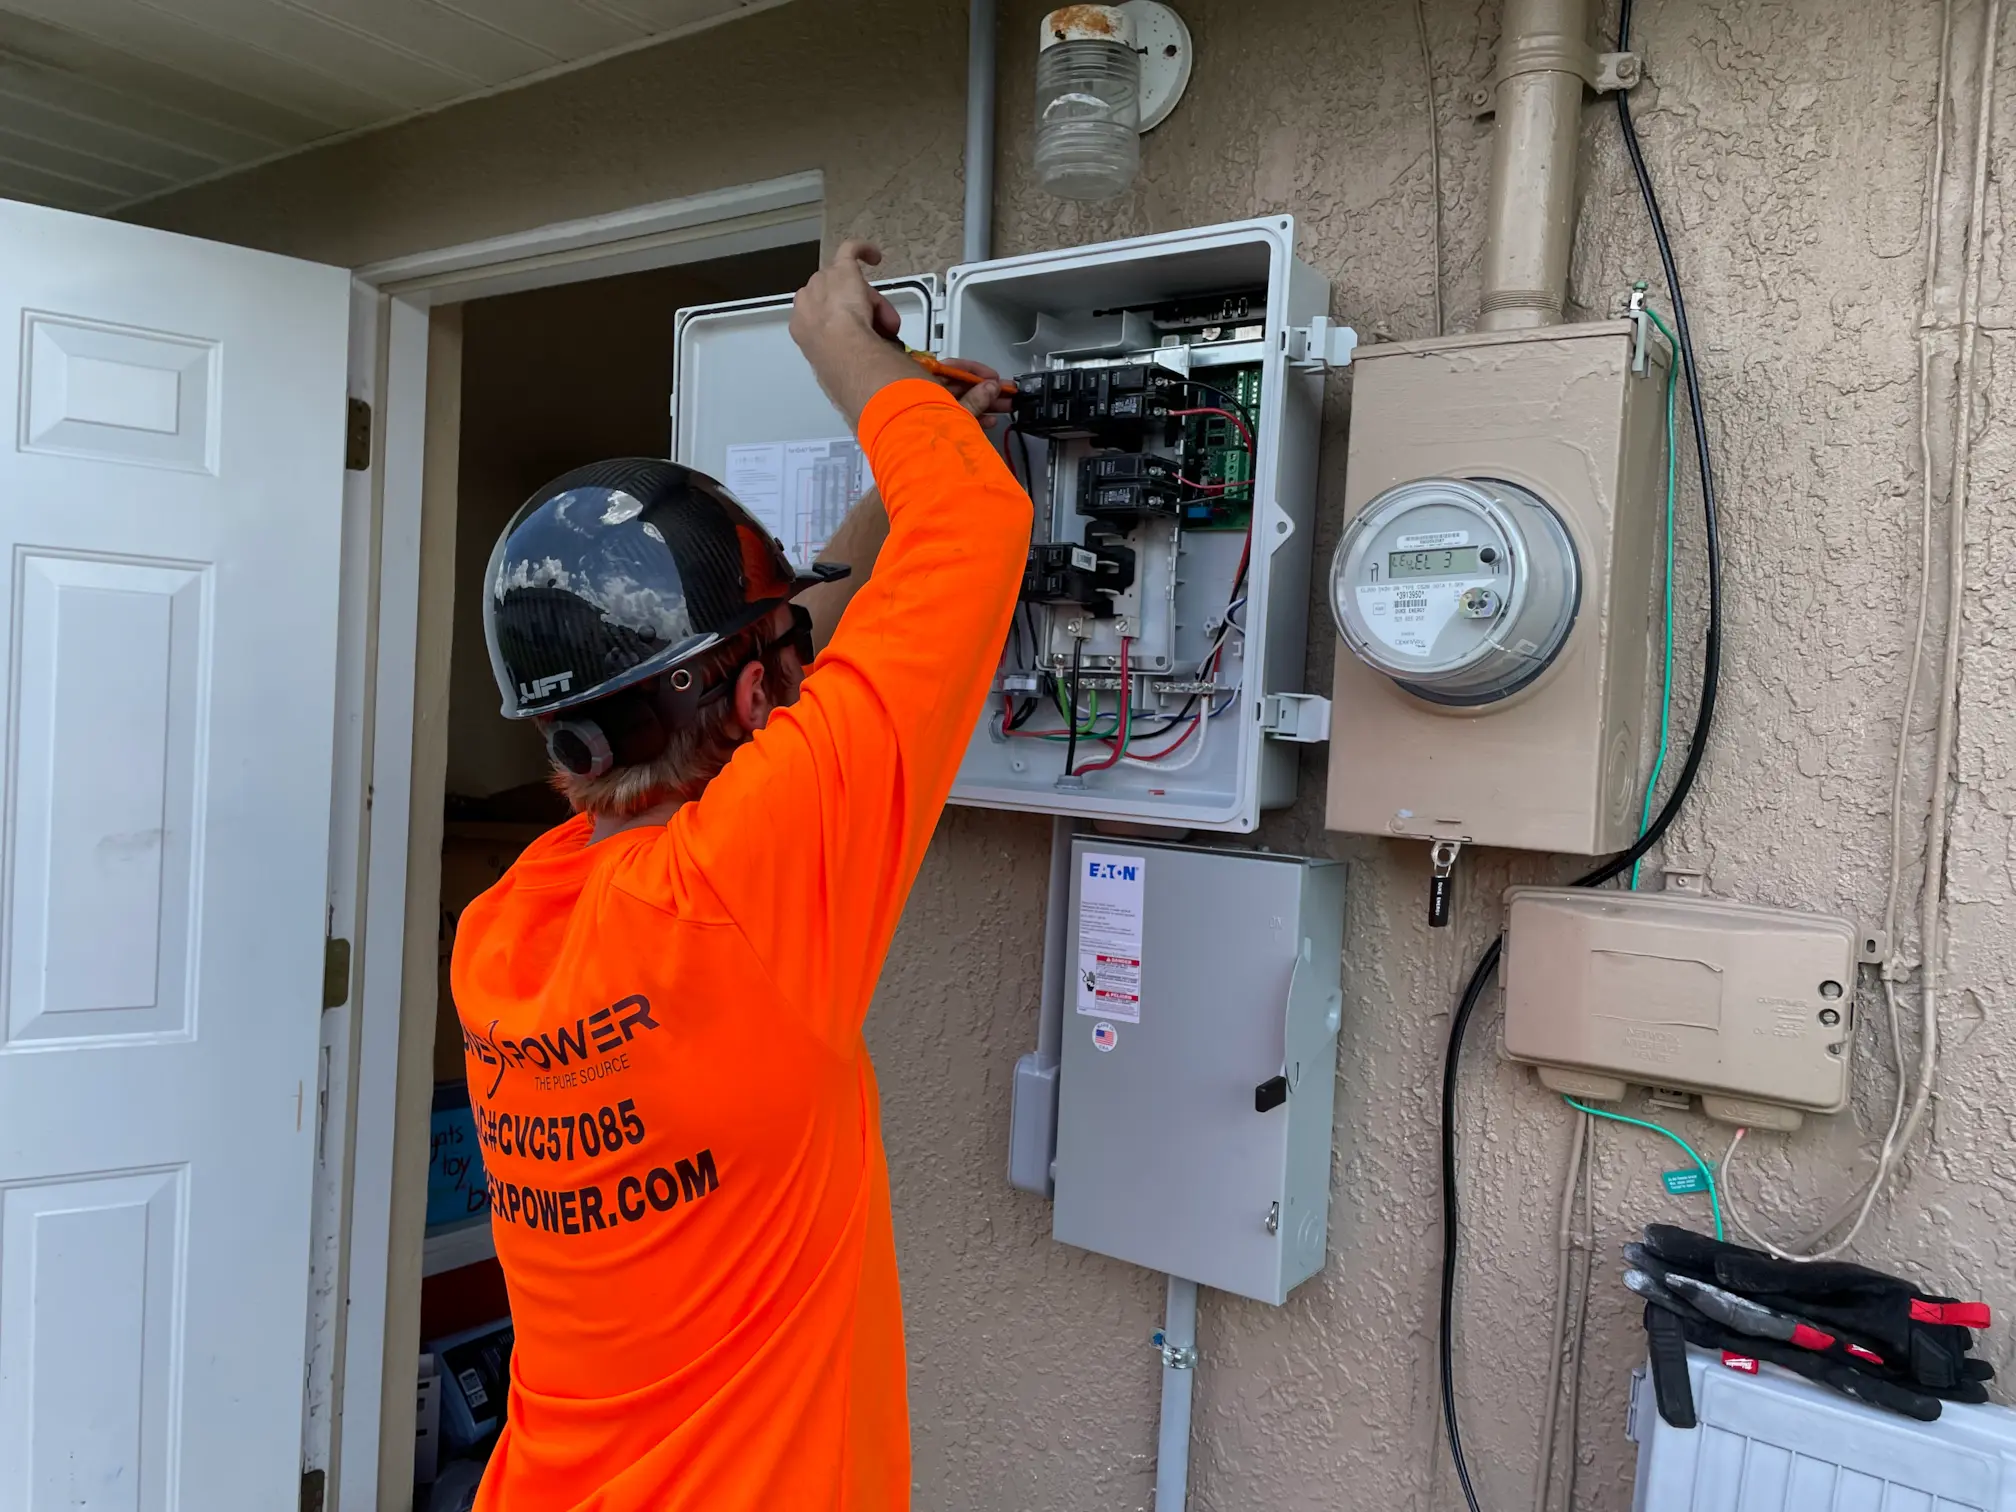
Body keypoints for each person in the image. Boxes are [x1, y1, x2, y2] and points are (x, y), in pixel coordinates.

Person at [451, 238, 1030, 1510]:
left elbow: (770, 677)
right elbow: (978, 533)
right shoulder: (741, 882)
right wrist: (849, 354)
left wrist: (907, 458)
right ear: (759, 693)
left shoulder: (505, 931)